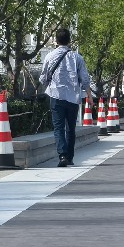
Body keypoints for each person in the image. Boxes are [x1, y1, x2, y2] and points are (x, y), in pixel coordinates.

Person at [38, 26, 92, 168]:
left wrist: (48, 83)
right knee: (71, 128)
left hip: (56, 96)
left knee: (58, 127)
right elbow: (85, 79)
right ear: (69, 41)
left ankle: (62, 155)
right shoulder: (77, 57)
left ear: (56, 40)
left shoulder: (50, 56)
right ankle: (70, 157)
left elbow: (43, 78)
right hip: (73, 97)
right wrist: (89, 95)